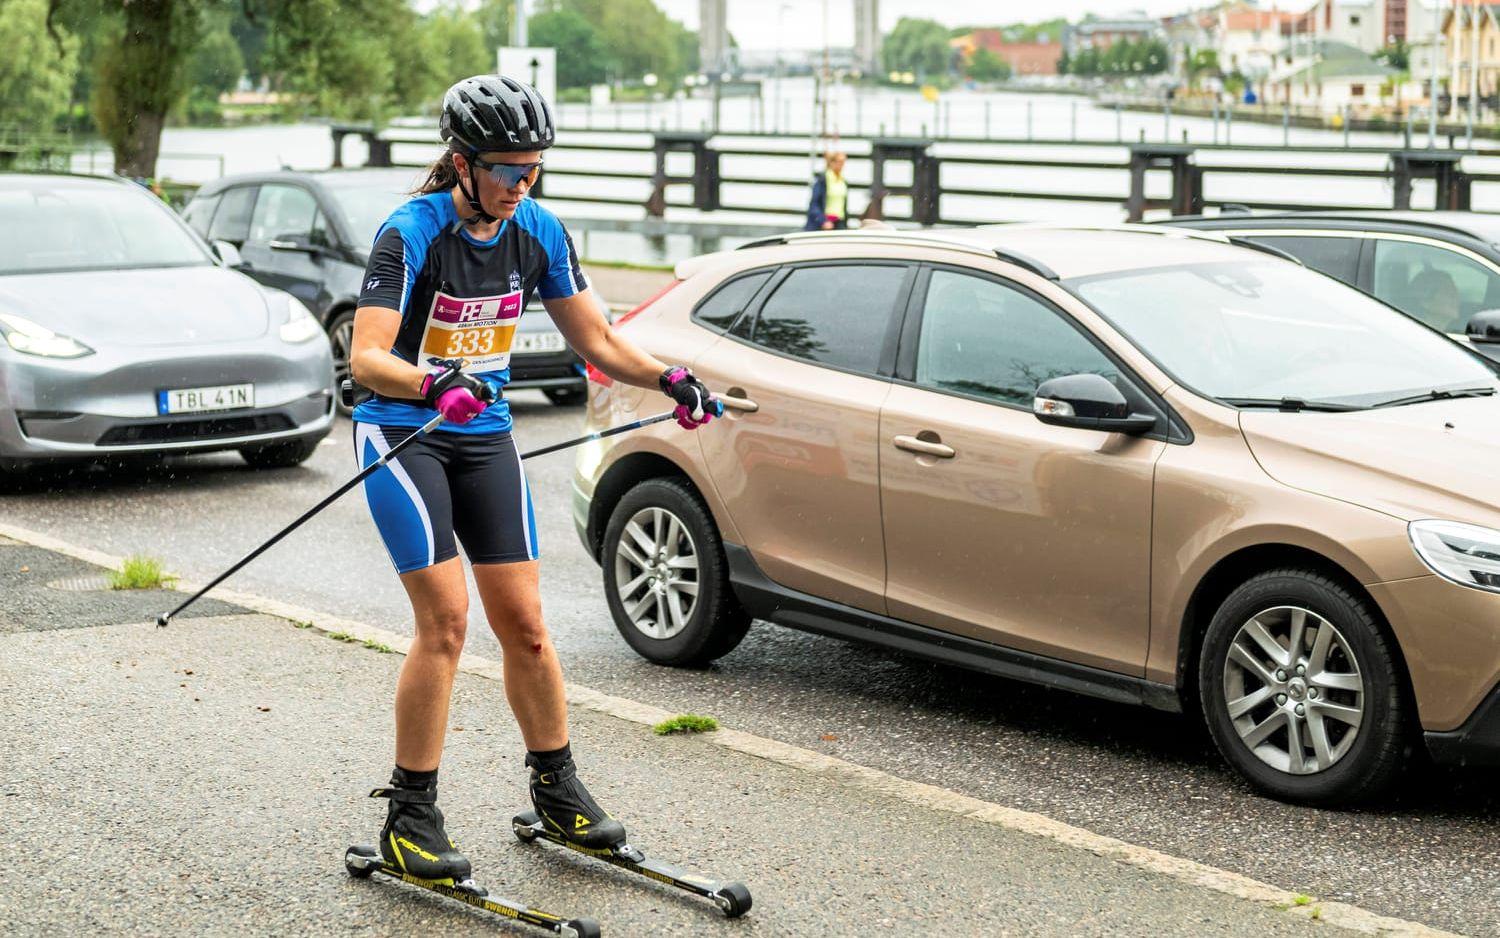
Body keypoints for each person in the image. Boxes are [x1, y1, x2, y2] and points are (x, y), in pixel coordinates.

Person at [348, 74, 720, 885]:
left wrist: (669, 379)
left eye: (533, 169)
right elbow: (367, 354)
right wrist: (432, 381)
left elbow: (599, 341)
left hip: (484, 439)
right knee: (445, 623)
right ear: (461, 164)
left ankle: (557, 792)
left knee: (528, 626)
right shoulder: (410, 233)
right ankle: (409, 818)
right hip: (404, 434)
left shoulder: (539, 231)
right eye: (508, 170)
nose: (523, 185)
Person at [804, 150, 850, 231]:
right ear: (832, 163)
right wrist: (823, 221)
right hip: (826, 222)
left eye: (843, 162)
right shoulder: (823, 180)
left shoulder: (843, 181)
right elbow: (814, 203)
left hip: (839, 222)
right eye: (839, 162)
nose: (841, 165)